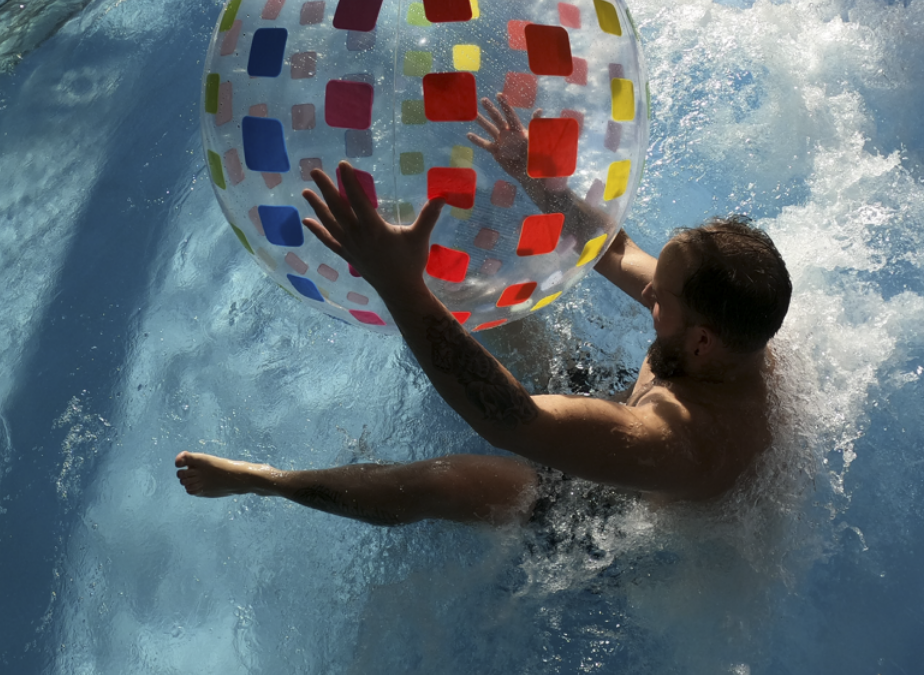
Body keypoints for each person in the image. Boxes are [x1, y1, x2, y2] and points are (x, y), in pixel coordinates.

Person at [176, 95, 792, 526]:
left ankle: (262, 479)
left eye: (663, 294)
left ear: (703, 340)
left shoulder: (683, 442)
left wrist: (397, 283)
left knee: (436, 485)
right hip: (637, 410)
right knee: (491, 303)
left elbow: (508, 423)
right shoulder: (730, 326)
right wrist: (536, 178)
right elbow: (617, 248)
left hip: (615, 511)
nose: (649, 288)